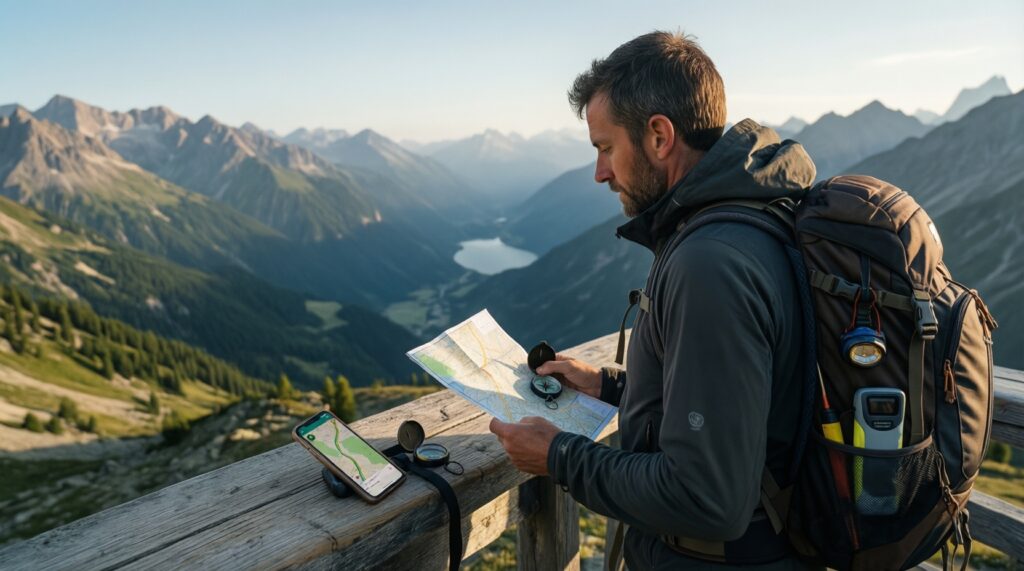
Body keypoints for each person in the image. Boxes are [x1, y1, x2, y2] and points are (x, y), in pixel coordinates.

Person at [489, 31, 819, 569]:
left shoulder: (709, 261)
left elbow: (707, 499)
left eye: (604, 148)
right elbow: (736, 403)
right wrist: (607, 386)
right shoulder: (752, 221)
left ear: (660, 136)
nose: (600, 173)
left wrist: (559, 456)